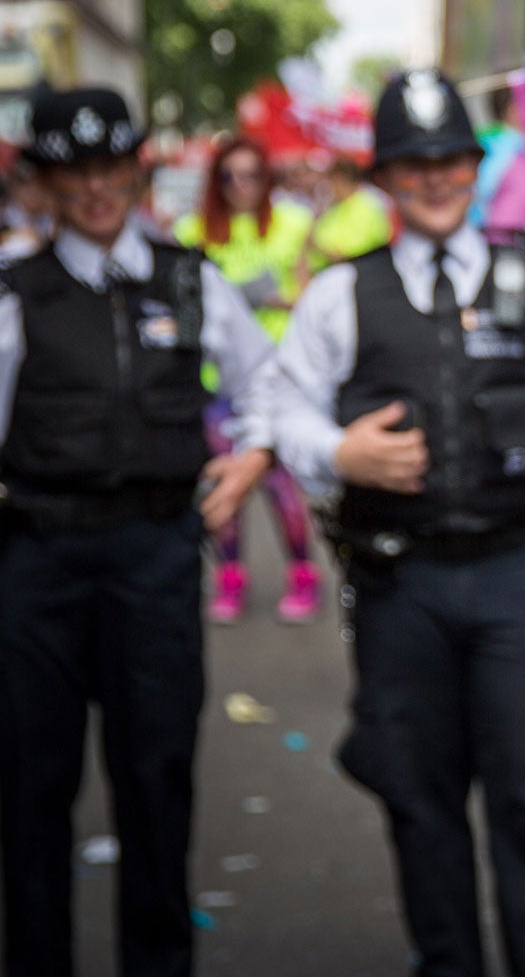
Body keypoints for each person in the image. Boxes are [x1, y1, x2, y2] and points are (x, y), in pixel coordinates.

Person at [272, 67, 525, 977]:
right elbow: (281, 409)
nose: (436, 179)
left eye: (451, 159)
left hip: (518, 576)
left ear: (473, 167)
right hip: (398, 583)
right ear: (385, 179)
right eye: (414, 165)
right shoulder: (342, 294)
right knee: (420, 799)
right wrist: (340, 454)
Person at [0, 87, 276, 977]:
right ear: (42, 184)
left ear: (136, 168)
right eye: (73, 172)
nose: (95, 189)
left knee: (157, 778)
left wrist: (254, 456)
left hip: (155, 556)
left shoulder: (189, 279)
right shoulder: (16, 295)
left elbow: (267, 382)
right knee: (32, 787)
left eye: (111, 167)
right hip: (37, 559)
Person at [174, 136, 321, 622]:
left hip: (277, 377)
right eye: (229, 176)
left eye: (251, 175)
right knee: (224, 481)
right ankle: (230, 575)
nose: (241, 186)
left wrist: (270, 300)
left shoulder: (293, 224)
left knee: (279, 483)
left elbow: (311, 294)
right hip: (219, 383)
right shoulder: (193, 231)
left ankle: (302, 572)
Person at [309, 150, 393, 266]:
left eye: (330, 179)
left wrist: (316, 247)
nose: (328, 185)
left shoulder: (366, 205)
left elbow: (347, 255)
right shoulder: (335, 208)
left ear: (340, 178)